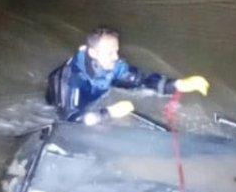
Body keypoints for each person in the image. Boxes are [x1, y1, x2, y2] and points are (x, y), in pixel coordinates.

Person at [46, 27, 210, 125]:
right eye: (110, 53)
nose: (116, 57)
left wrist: (178, 85)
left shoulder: (114, 65)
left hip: (95, 93)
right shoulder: (72, 80)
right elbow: (69, 120)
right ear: (93, 53)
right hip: (60, 105)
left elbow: (142, 80)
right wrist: (108, 113)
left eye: (116, 51)